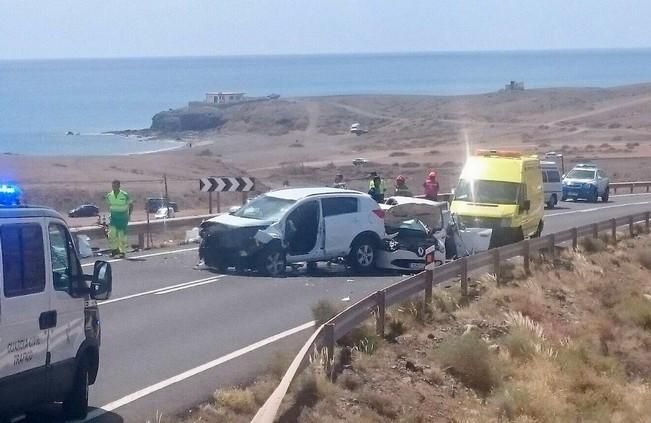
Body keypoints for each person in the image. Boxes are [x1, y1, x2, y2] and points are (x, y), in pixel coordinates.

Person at [105, 180, 133, 258]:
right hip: (113, 218)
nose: (114, 187)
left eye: (116, 186)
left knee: (122, 235)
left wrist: (129, 214)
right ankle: (114, 250)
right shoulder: (109, 195)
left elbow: (131, 205)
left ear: (119, 186)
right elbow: (109, 206)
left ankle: (122, 251)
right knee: (111, 234)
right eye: (113, 186)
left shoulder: (125, 195)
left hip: (123, 218)